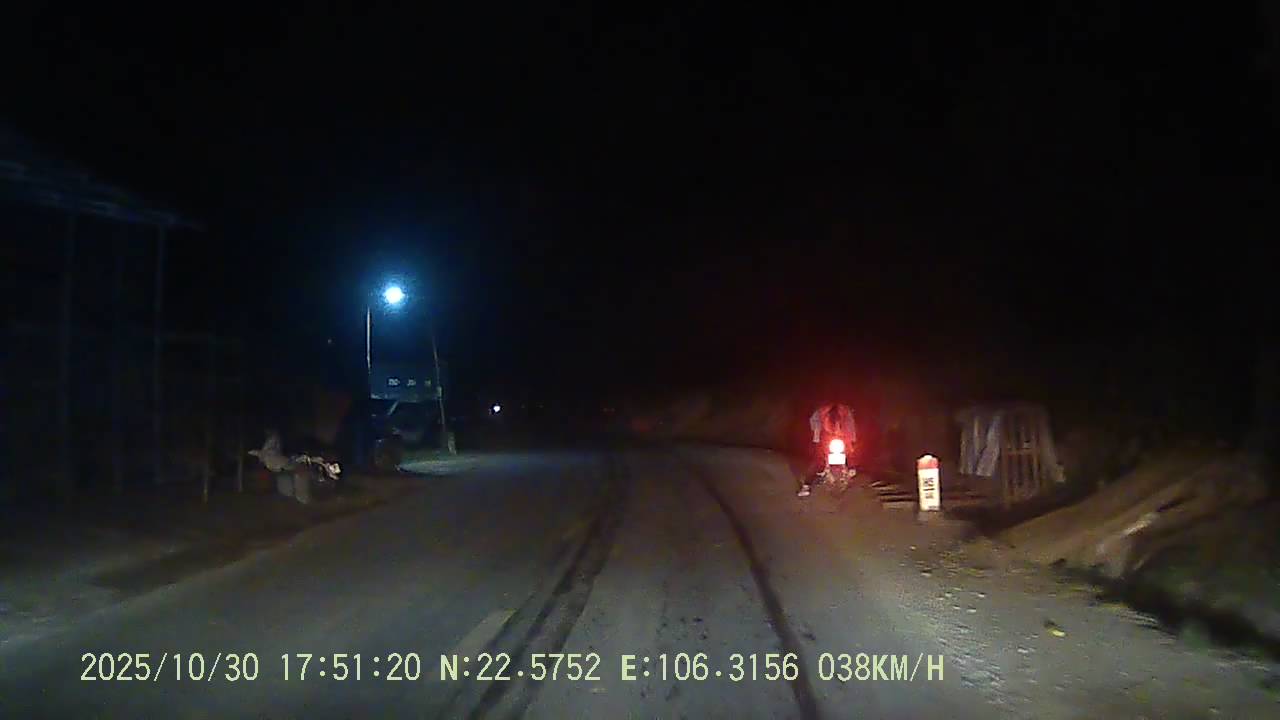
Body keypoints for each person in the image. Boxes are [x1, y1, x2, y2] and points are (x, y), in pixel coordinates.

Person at [797, 402, 857, 497]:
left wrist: (851, 462)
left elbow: (851, 435)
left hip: (842, 435)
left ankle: (849, 471)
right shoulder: (819, 414)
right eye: (832, 428)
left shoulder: (847, 417)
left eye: (836, 428)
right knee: (818, 457)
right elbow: (815, 426)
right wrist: (817, 437)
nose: (834, 431)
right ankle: (806, 485)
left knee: (849, 450)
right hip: (824, 434)